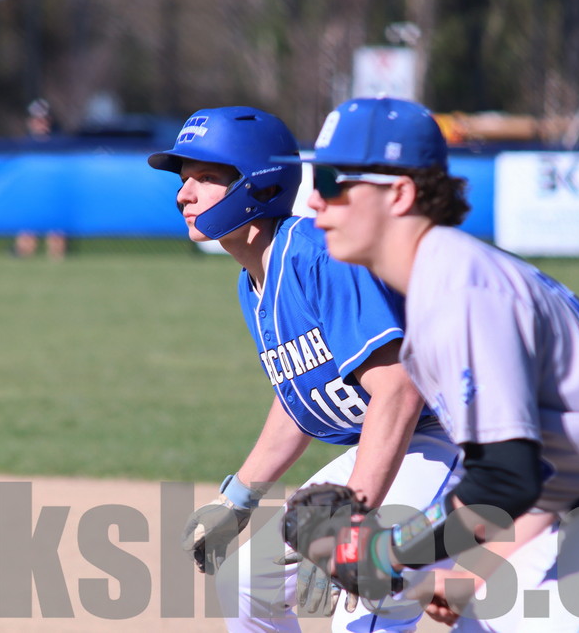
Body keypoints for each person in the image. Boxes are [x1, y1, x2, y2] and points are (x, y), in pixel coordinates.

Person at [291, 97, 579, 631]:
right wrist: (472, 571)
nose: (314, 200)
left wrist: (385, 552)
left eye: (333, 181)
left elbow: (506, 480)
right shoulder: (441, 287)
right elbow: (539, 471)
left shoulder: (460, 289)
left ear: (400, 193)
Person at [148, 106, 462, 632]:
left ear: (258, 183)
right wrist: (240, 497)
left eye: (205, 177)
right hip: (393, 445)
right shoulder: (253, 281)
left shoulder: (318, 257)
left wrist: (351, 522)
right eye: (183, 180)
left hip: (458, 443)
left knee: (363, 605)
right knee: (248, 584)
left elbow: (398, 389)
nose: (184, 194)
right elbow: (303, 397)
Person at [14, 99, 66, 260]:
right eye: (37, 120)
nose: (41, 124)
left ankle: (57, 263)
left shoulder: (58, 145)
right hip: (31, 193)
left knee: (56, 234)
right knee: (27, 233)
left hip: (52, 193)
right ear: (30, 122)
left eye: (44, 120)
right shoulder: (24, 146)